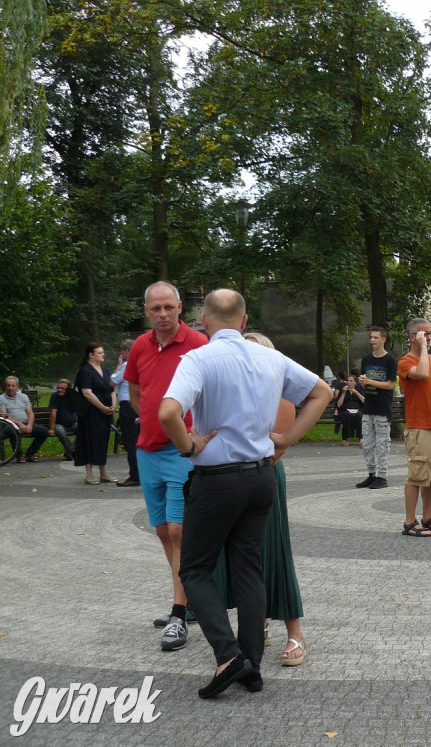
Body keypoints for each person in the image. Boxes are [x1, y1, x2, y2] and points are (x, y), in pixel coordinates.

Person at [160, 289, 331, 699]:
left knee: (195, 569)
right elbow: (322, 392)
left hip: (216, 479)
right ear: (243, 320)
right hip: (260, 477)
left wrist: (188, 446)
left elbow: (167, 412)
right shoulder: (270, 358)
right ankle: (251, 667)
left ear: (203, 320)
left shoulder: (198, 359)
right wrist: (287, 437)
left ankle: (229, 653)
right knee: (249, 568)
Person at [213, 332, 310, 669]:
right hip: (232, 480)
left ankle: (294, 632)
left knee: (274, 553)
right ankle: (259, 622)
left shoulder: (279, 391)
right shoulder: (232, 390)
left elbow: (279, 446)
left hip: (263, 476)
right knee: (242, 557)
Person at [125, 281, 208, 651]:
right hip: (148, 451)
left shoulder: (198, 344)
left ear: (179, 309)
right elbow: (134, 388)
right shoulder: (140, 346)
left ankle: (178, 613)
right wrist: (147, 417)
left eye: (168, 308)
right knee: (162, 531)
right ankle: (187, 602)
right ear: (146, 311)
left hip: (182, 452)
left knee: (179, 529)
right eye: (155, 308)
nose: (162, 314)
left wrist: (193, 434)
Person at [397, 317, 431, 537]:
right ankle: (410, 522)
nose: (428, 337)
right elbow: (423, 374)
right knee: (416, 476)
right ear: (412, 337)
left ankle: (427, 517)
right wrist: (423, 349)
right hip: (419, 428)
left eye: (430, 333)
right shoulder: (405, 362)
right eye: (424, 334)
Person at [357, 327, 397, 489]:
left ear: (383, 339)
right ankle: (371, 474)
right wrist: (363, 382)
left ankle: (382, 476)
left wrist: (370, 382)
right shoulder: (366, 359)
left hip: (382, 409)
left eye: (375, 337)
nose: (372, 340)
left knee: (382, 444)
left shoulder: (390, 360)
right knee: (367, 444)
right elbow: (364, 380)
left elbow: (390, 384)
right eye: (371, 337)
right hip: (368, 407)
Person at [74, 344, 117, 483]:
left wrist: (113, 405)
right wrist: (102, 407)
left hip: (105, 412)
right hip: (91, 411)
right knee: (89, 440)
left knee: (102, 440)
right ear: (91, 355)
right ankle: (89, 474)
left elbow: (111, 390)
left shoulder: (105, 370)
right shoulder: (86, 371)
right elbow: (87, 393)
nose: (103, 355)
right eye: (99, 352)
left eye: (103, 352)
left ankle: (104, 472)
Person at [110, 340, 141, 487]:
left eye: (122, 350)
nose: (121, 353)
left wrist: (118, 365)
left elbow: (112, 382)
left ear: (127, 350)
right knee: (140, 441)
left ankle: (135, 476)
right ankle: (142, 473)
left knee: (131, 442)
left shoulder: (127, 365)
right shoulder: (142, 362)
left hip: (128, 406)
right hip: (139, 405)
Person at [1, 376, 48, 462]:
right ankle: (19, 456)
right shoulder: (2, 398)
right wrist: (20, 424)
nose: (10, 388)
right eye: (8, 385)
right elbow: (4, 416)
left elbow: (30, 413)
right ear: (5, 386)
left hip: (26, 423)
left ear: (17, 386)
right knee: (14, 431)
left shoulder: (23, 396)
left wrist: (29, 425)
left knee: (44, 431)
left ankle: (29, 455)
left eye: (13, 385)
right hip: (10, 424)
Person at [47, 379, 78, 460]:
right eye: (58, 388)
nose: (59, 390)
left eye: (62, 388)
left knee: (85, 429)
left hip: (73, 423)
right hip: (59, 424)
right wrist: (51, 429)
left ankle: (70, 451)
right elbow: (53, 413)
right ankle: (72, 451)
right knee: (60, 432)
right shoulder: (55, 396)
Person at [334, 374, 365, 446]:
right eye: (348, 381)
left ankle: (361, 438)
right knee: (348, 416)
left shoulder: (359, 390)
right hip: (345, 411)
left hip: (357, 411)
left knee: (359, 416)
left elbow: (364, 401)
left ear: (355, 383)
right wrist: (344, 393)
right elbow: (339, 405)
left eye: (351, 381)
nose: (349, 382)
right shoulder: (343, 391)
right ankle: (344, 439)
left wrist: (356, 392)